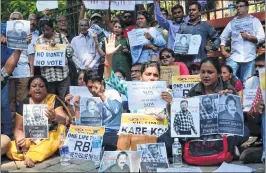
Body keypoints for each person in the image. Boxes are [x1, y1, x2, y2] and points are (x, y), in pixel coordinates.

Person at [6, 75, 71, 168]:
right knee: (10, 149)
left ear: (46, 89)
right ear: (29, 90)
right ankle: (39, 152)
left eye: (41, 86)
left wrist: (54, 117)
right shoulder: (24, 103)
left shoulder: (53, 99)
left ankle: (31, 156)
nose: (37, 89)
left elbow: (65, 120)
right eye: (34, 86)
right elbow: (18, 128)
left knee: (58, 134)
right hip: (30, 139)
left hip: (49, 137)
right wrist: (20, 141)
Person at [71, 72, 122, 151]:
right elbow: (81, 125)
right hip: (96, 133)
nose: (93, 90)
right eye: (90, 87)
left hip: (112, 132)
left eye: (95, 87)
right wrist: (77, 108)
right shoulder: (89, 100)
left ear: (102, 83)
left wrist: (101, 95)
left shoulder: (112, 93)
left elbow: (115, 110)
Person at [220, 0, 265, 83]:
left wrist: (249, 37)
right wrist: (223, 51)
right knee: (228, 80)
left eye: (241, 6)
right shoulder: (232, 22)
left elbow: (262, 37)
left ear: (247, 7)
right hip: (234, 57)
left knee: (247, 83)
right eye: (237, 7)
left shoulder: (254, 21)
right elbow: (223, 36)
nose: (238, 8)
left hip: (249, 57)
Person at [9, 13, 38, 128]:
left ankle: (24, 128)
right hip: (9, 74)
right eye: (13, 19)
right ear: (9, 20)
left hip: (24, 73)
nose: (16, 20)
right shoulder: (5, 36)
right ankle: (12, 130)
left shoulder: (27, 37)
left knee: (22, 102)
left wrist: (32, 74)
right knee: (10, 103)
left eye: (18, 19)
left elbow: (31, 57)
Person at [35, 20, 71, 100]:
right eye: (43, 30)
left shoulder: (61, 37)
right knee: (50, 101)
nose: (45, 32)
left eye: (47, 29)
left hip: (63, 75)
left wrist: (58, 47)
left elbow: (70, 52)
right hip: (48, 76)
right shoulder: (39, 40)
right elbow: (37, 56)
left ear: (52, 28)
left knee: (65, 100)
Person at [177, 1, 220, 67]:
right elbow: (178, 45)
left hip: (202, 62)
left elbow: (217, 39)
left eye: (194, 10)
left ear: (199, 12)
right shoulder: (183, 27)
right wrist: (180, 51)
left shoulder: (206, 26)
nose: (191, 12)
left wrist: (212, 47)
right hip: (186, 64)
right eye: (189, 10)